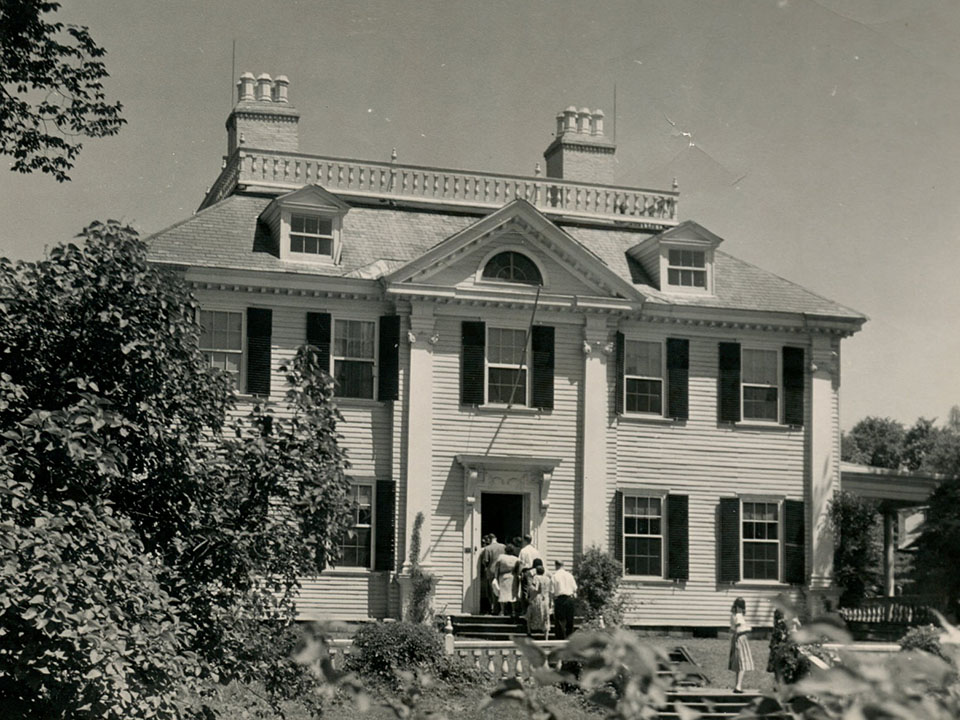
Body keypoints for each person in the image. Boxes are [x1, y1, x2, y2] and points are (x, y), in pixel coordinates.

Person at [728, 597, 754, 693]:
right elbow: (738, 630)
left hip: (735, 639)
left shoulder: (733, 615)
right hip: (740, 639)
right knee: (743, 663)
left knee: (739, 663)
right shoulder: (739, 616)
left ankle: (737, 685)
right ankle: (738, 686)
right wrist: (748, 629)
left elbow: (731, 629)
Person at [478, 533, 505, 614]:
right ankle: (502, 609)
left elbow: (485, 561)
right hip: (502, 570)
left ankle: (494, 608)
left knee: (492, 590)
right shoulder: (503, 546)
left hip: (492, 571)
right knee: (501, 590)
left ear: (489, 540)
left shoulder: (487, 548)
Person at [551, 560, 577, 640]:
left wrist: (552, 602)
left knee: (559, 622)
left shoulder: (555, 576)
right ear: (563, 565)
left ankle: (560, 639)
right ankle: (569, 638)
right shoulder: (569, 575)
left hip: (559, 599)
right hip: (569, 599)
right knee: (570, 621)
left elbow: (552, 591)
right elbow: (575, 588)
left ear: (556, 566)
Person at [526, 558, 551, 638]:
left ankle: (529, 631)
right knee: (546, 616)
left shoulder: (536, 578)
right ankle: (546, 635)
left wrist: (531, 590)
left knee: (530, 614)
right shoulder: (547, 579)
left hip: (537, 598)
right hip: (546, 598)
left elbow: (536, 589)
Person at [493, 544, 520, 617]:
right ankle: (513, 611)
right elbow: (517, 570)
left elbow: (497, 568)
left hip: (503, 576)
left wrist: (496, 577)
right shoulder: (516, 559)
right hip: (512, 576)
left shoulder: (501, 557)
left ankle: (502, 611)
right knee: (512, 593)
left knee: (502, 593)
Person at [517, 534, 541, 614]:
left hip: (527, 571)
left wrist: (519, 573)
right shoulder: (536, 551)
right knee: (533, 590)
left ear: (525, 541)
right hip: (535, 571)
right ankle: (533, 609)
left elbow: (521, 563)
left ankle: (525, 610)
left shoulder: (523, 551)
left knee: (525, 591)